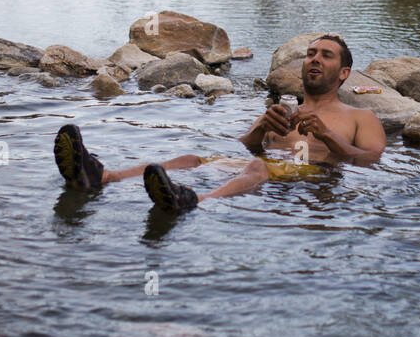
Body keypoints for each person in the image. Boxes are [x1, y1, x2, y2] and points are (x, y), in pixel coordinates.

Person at [53, 33, 386, 214]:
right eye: (311, 53)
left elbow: (370, 159)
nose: (315, 58)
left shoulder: (360, 117)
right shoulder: (282, 110)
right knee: (190, 159)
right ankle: (101, 176)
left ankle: (194, 201)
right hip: (262, 169)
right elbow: (246, 146)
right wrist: (260, 128)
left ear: (344, 73)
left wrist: (326, 135)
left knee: (256, 169)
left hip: (308, 180)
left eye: (326, 55)